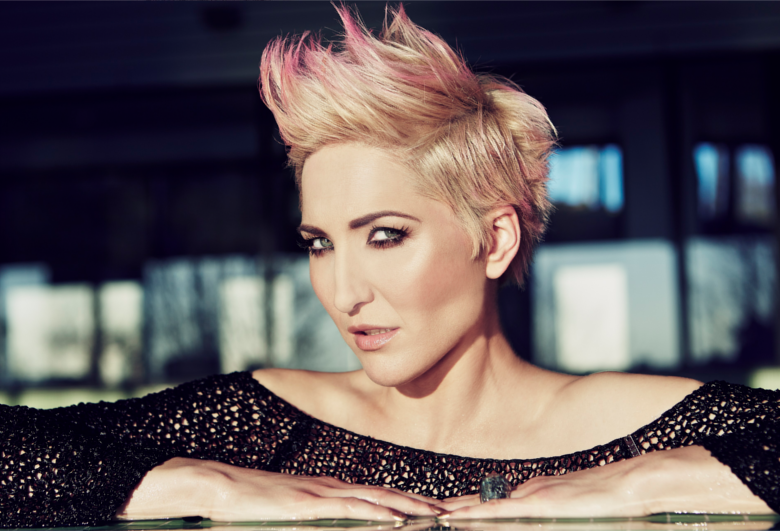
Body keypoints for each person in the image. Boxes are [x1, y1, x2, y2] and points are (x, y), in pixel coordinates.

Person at [1, 4, 779, 528]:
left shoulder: (642, 428)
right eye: (320, 243)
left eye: (385, 235)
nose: (343, 291)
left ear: (495, 241)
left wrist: (647, 482)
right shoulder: (258, 425)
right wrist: (199, 482)